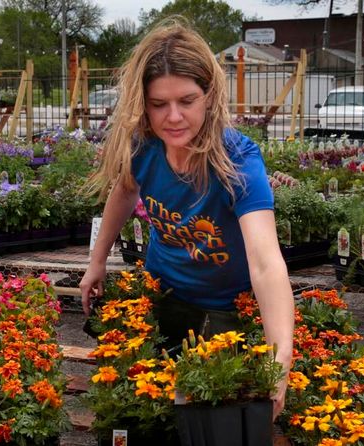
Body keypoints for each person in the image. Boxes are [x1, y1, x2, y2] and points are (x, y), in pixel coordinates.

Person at [79, 20, 294, 420]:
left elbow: (266, 261)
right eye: (159, 104)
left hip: (226, 314)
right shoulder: (143, 145)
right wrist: (96, 261)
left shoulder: (238, 163)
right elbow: (125, 190)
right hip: (163, 297)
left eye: (187, 101)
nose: (173, 117)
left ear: (209, 96)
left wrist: (281, 355)